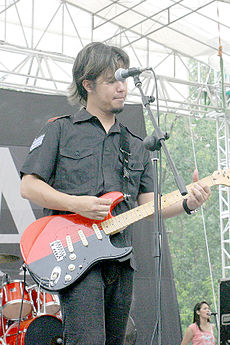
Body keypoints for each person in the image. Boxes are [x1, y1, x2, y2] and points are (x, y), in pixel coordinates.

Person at [20, 42, 211, 345]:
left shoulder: (136, 144)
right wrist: (76, 204)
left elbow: (151, 205)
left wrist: (188, 202)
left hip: (120, 257)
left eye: (123, 79)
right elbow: (28, 186)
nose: (121, 87)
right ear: (88, 84)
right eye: (112, 80)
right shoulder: (61, 130)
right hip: (77, 255)